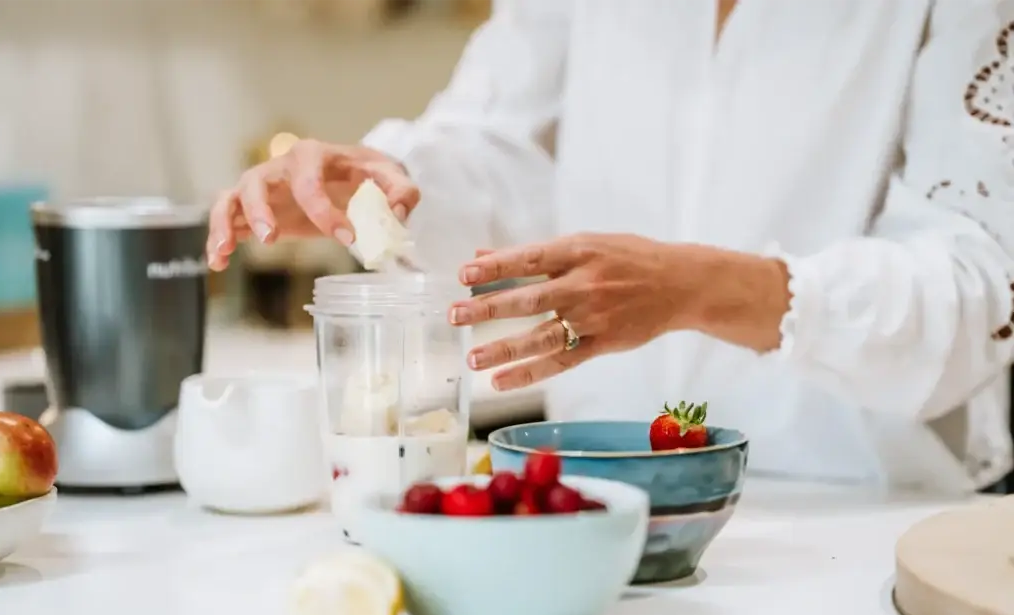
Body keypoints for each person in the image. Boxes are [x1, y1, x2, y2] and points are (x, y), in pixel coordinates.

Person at [208, 0, 1014, 494]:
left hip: (866, 518)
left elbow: (979, 280)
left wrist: (699, 287)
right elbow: (500, 150)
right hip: (598, 513)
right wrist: (378, 188)